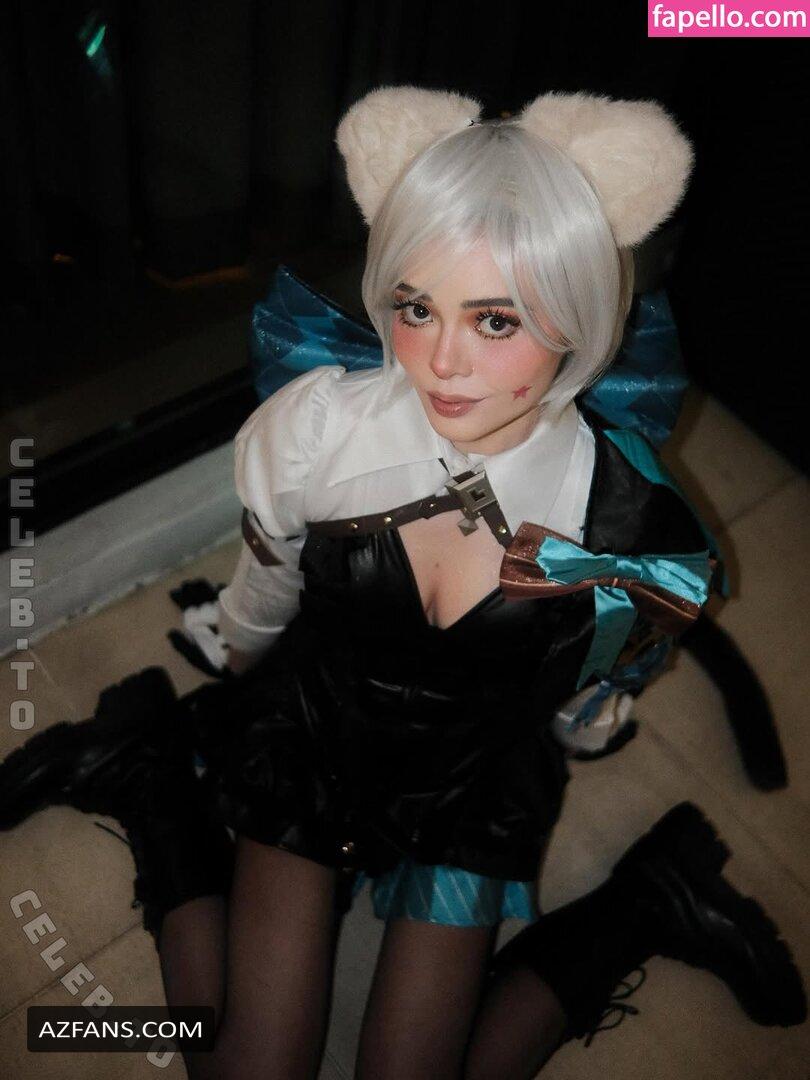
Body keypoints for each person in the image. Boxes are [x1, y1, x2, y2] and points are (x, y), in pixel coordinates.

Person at [0, 87, 805, 1080]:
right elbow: (268, 572)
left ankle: (645, 904)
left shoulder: (622, 520)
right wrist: (238, 659)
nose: (439, 360)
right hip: (313, 743)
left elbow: (611, 660)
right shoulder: (320, 431)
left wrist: (582, 721)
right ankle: (152, 781)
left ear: (581, 316)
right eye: (417, 307)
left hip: (473, 783)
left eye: (495, 319)